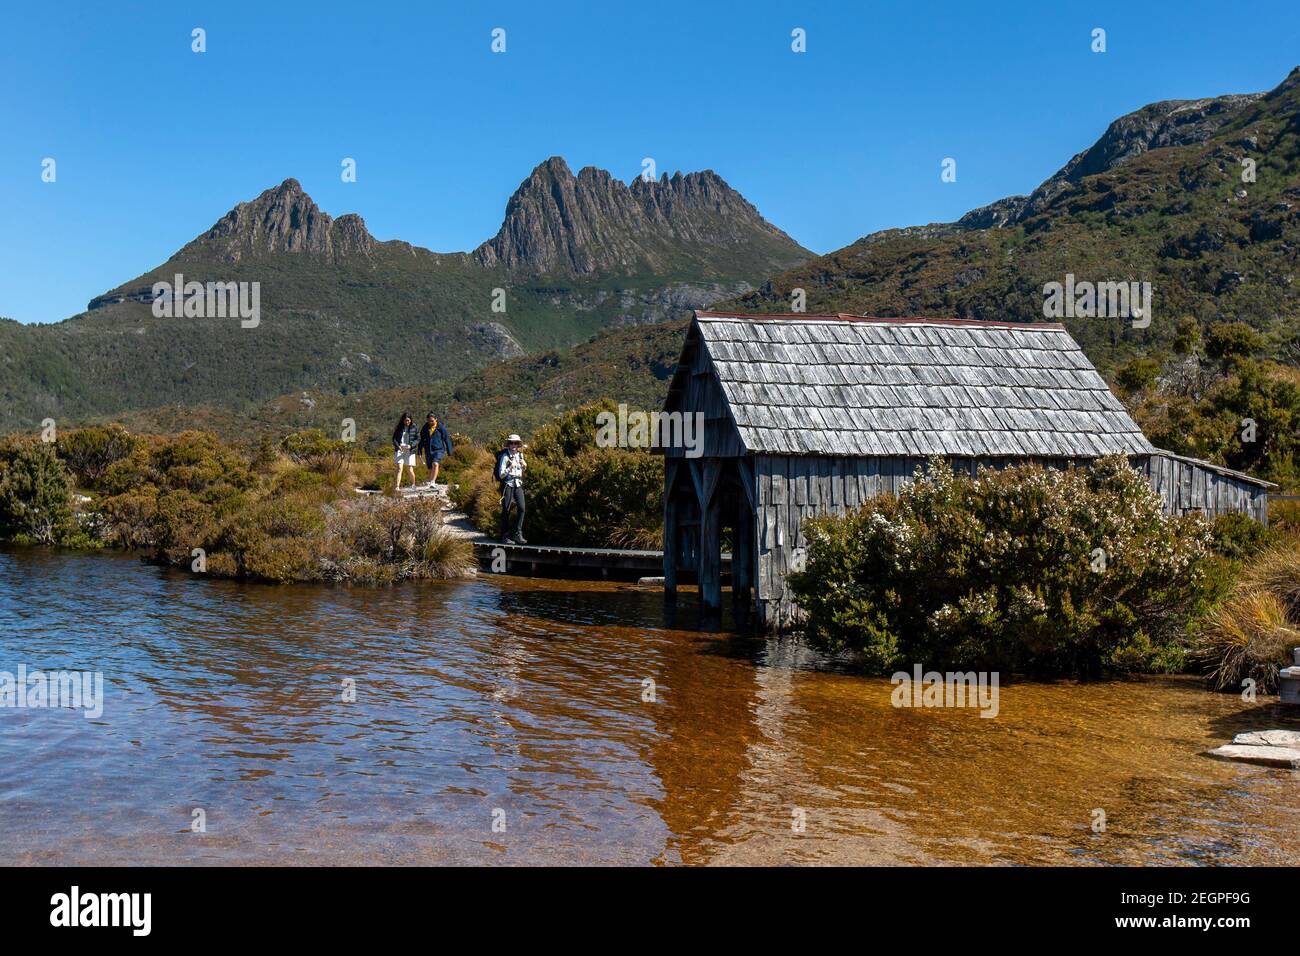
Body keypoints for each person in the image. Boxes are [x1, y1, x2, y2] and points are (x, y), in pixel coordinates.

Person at [494, 434, 527, 544]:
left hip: (517, 483)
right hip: (507, 484)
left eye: (516, 443)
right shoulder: (504, 456)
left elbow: (522, 471)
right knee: (506, 510)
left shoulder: (520, 456)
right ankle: (504, 536)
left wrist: (524, 466)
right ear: (508, 444)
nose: (513, 445)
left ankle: (518, 534)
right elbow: (501, 474)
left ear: (518, 444)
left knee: (522, 508)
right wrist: (509, 468)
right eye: (512, 443)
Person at [419, 412, 453, 487]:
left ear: (436, 419)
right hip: (428, 450)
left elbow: (446, 439)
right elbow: (421, 440)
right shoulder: (425, 428)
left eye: (432, 421)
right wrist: (419, 451)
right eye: (429, 421)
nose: (430, 422)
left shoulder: (440, 427)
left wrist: (450, 452)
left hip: (439, 449)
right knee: (430, 467)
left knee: (435, 463)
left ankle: (433, 481)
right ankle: (430, 480)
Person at [391, 412, 420, 492]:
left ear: (411, 420)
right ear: (403, 420)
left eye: (408, 420)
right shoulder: (399, 428)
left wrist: (411, 445)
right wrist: (398, 446)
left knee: (410, 469)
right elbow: (394, 439)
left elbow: (418, 439)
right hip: (400, 450)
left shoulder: (415, 427)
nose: (407, 422)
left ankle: (413, 485)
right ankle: (397, 487)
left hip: (410, 450)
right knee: (399, 468)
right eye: (405, 420)